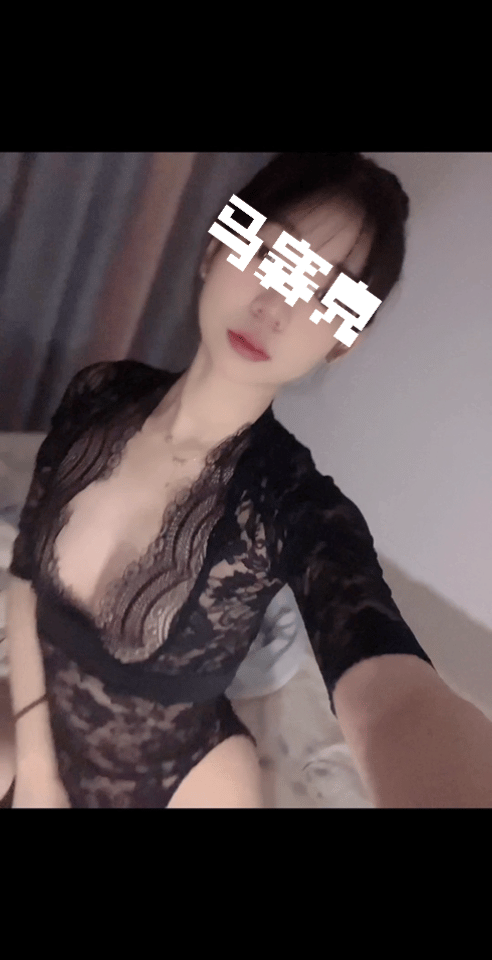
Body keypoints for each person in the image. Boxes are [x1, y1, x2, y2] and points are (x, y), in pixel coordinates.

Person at [6, 152, 436, 808]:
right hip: (35, 729)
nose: (275, 307)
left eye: (324, 295)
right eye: (271, 256)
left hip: (181, 783)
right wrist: (37, 771)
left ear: (342, 339)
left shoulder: (290, 502)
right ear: (216, 246)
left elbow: (395, 693)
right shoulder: (100, 392)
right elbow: (25, 575)